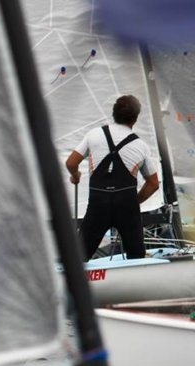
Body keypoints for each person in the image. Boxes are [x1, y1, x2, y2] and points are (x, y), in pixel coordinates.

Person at [65, 95, 160, 260]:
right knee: (136, 257)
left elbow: (71, 163)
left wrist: (75, 175)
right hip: (127, 208)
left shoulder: (94, 135)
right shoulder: (141, 146)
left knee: (80, 257)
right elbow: (153, 184)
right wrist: (134, 202)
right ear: (135, 118)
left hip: (98, 206)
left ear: (113, 113)